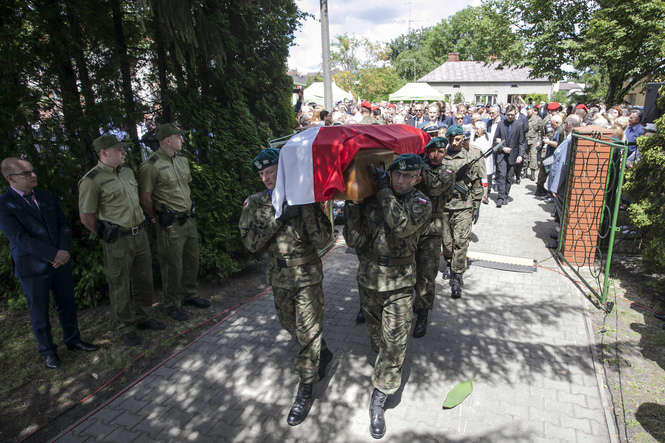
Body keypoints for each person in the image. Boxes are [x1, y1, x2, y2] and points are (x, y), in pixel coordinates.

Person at [239, 148, 333, 427]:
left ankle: (306, 388)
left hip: (307, 276)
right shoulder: (255, 203)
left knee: (307, 331)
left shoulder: (303, 196)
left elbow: (324, 239)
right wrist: (278, 217)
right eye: (262, 174)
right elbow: (251, 244)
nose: (266, 178)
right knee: (290, 324)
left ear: (282, 171)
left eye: (271, 172)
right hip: (279, 278)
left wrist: (305, 207)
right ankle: (323, 352)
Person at [344, 154, 431, 439]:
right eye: (398, 175)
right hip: (369, 281)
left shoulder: (421, 202)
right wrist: (352, 207)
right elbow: (355, 241)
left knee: (394, 344)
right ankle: (384, 369)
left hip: (400, 285)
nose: (402, 180)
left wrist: (383, 190)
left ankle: (379, 398)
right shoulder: (372, 199)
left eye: (409, 176)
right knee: (377, 338)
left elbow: (402, 226)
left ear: (417, 178)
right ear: (389, 174)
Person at [0, 158, 98, 369]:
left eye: (32, 171)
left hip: (60, 261)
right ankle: (48, 351)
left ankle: (73, 339)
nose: (33, 176)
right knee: (39, 310)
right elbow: (19, 238)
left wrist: (63, 250)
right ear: (10, 178)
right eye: (26, 173)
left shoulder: (45, 195)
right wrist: (53, 254)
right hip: (33, 267)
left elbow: (63, 224)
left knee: (67, 303)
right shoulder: (4, 204)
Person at [79, 135, 162, 347]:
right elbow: (86, 216)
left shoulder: (126, 172)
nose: (123, 152)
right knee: (120, 283)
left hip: (139, 233)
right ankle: (125, 326)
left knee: (144, 278)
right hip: (118, 239)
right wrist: (104, 233)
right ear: (104, 153)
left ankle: (144, 317)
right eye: (118, 150)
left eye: (123, 149)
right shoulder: (92, 180)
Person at [139, 123, 210, 322]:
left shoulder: (182, 160)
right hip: (170, 224)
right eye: (179, 137)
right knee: (172, 265)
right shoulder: (150, 166)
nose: (182, 140)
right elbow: (145, 197)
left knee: (192, 260)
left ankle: (190, 295)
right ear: (167, 140)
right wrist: (155, 217)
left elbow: (185, 188)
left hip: (188, 219)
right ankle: (172, 304)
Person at [413, 138, 454, 338]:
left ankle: (422, 313)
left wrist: (421, 167)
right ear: (427, 151)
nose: (437, 155)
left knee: (427, 274)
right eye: (433, 151)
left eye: (441, 151)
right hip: (412, 226)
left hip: (432, 228)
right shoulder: (418, 167)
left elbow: (434, 188)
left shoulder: (448, 171)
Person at [441, 125, 484, 298]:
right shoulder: (441, 158)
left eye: (457, 139)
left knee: (461, 241)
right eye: (451, 139)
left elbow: (477, 183)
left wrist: (477, 204)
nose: (454, 143)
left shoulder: (471, 158)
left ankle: (457, 274)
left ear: (463, 138)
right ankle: (449, 262)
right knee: (447, 242)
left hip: (464, 206)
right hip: (444, 206)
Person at [492, 105, 526, 207]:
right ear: (505, 114)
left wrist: (520, 155)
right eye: (508, 115)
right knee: (501, 175)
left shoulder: (519, 125)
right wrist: (502, 148)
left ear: (515, 114)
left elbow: (522, 142)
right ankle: (500, 197)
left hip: (513, 155)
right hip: (502, 155)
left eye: (512, 115)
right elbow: (495, 141)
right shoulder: (501, 124)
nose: (510, 117)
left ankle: (506, 195)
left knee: (509, 177)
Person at [536, 114, 563, 196]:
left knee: (547, 172)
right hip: (549, 154)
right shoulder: (555, 130)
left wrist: (548, 142)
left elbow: (558, 144)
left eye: (552, 123)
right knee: (543, 171)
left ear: (557, 123)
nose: (551, 125)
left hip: (553, 156)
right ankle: (540, 189)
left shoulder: (560, 131)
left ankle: (547, 191)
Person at [525, 105, 545, 181]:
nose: (528, 111)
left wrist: (539, 141)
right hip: (526, 139)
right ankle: (524, 172)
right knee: (525, 156)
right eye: (527, 109)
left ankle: (532, 174)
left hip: (534, 139)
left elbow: (541, 131)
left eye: (529, 109)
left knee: (533, 156)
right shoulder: (525, 118)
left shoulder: (538, 119)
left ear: (533, 110)